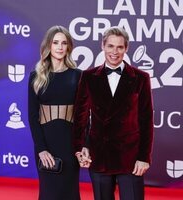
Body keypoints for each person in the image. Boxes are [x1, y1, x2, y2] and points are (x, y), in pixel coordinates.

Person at [73, 26, 154, 200]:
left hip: (130, 158)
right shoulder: (88, 76)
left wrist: (143, 157)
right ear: (102, 46)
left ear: (126, 48)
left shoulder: (141, 78)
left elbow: (146, 120)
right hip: (99, 156)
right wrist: (82, 147)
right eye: (110, 46)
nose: (114, 52)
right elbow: (80, 118)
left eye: (119, 47)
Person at [28, 25, 81, 200]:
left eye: (63, 43)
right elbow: (32, 116)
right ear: (48, 46)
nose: (59, 47)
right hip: (46, 144)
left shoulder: (77, 75)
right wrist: (41, 149)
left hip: (70, 144)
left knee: (69, 192)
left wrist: (82, 146)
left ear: (69, 47)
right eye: (55, 42)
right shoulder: (36, 76)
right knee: (49, 193)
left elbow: (83, 115)